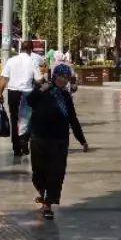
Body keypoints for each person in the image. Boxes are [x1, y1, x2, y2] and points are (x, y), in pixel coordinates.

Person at [27, 63, 87, 220]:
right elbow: (29, 101)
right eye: (60, 76)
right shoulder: (44, 90)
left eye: (66, 78)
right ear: (54, 76)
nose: (63, 80)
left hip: (59, 140)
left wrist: (82, 140)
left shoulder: (66, 96)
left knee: (56, 173)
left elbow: (72, 119)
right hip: (39, 137)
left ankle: (48, 204)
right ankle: (41, 193)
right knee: (38, 173)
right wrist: (41, 90)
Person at [0, 40, 42, 157]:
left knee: (14, 120)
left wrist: (0, 93)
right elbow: (39, 80)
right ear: (31, 50)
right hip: (28, 94)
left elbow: (3, 78)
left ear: (20, 48)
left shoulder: (11, 61)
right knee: (27, 119)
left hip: (13, 93)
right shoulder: (33, 61)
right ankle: (24, 140)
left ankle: (16, 148)